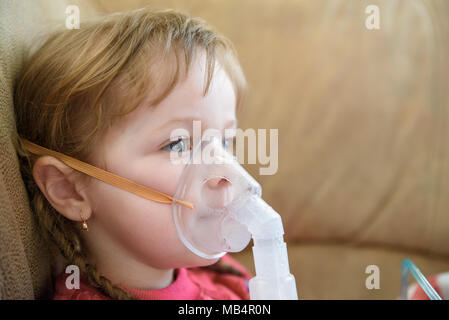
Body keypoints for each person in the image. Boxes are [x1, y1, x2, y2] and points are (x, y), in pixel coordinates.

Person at [13, 7, 251, 300]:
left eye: (225, 142)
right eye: (178, 144)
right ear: (69, 190)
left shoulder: (226, 276)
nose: (225, 173)